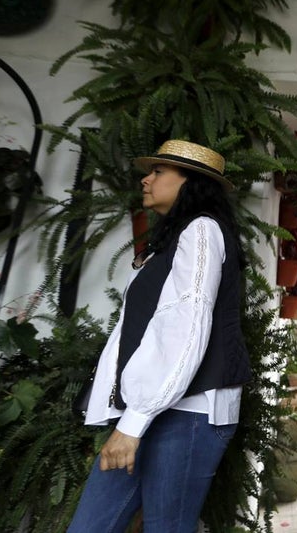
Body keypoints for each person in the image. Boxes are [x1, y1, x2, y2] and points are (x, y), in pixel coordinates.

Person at [68, 140, 252, 532]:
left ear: (191, 183)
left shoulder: (202, 231)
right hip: (149, 410)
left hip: (189, 414)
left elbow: (185, 327)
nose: (145, 179)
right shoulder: (171, 241)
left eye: (158, 172)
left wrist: (133, 422)